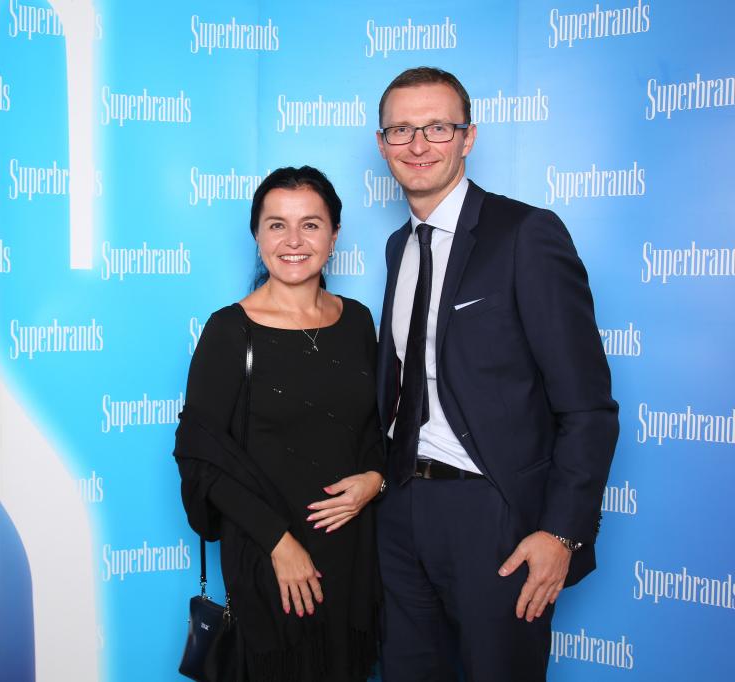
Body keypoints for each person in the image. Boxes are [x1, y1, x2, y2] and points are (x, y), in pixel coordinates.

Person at [372, 67, 619, 681]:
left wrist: (561, 533)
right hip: (401, 509)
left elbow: (588, 407)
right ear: (382, 144)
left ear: (468, 137)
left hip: (494, 514)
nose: (418, 145)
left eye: (437, 127)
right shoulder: (399, 248)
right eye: (401, 130)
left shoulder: (525, 234)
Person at [175, 166, 385, 681]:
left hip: (353, 554)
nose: (293, 241)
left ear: (334, 235)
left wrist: (376, 480)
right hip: (270, 557)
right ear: (257, 235)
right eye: (277, 225)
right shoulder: (229, 331)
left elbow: (379, 429)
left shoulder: (359, 321)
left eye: (310, 225)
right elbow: (201, 458)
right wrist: (279, 543)